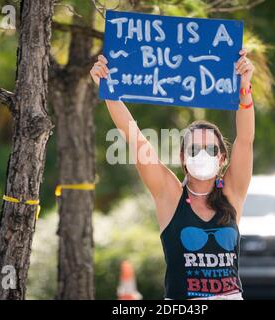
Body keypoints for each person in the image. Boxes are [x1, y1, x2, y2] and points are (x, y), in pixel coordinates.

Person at [90, 48, 255, 300]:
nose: (202, 154)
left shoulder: (232, 193)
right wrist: (108, 91)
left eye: (210, 148)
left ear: (222, 158)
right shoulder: (170, 196)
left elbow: (245, 139)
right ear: (183, 159)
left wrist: (244, 86)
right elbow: (136, 140)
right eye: (194, 148)